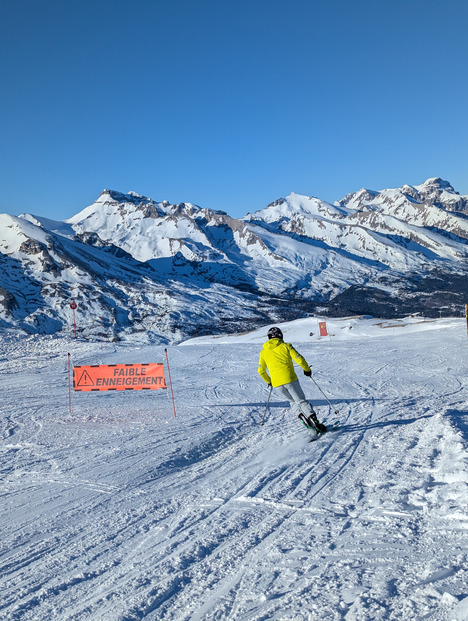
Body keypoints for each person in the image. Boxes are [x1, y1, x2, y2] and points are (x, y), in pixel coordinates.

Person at [258, 326, 327, 438]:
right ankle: (316, 424)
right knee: (301, 401)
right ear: (280, 335)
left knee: (293, 402)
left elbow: (261, 370)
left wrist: (269, 381)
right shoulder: (286, 346)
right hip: (290, 379)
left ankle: (308, 425)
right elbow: (299, 358)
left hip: (277, 384)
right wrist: (307, 370)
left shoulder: (263, 352)